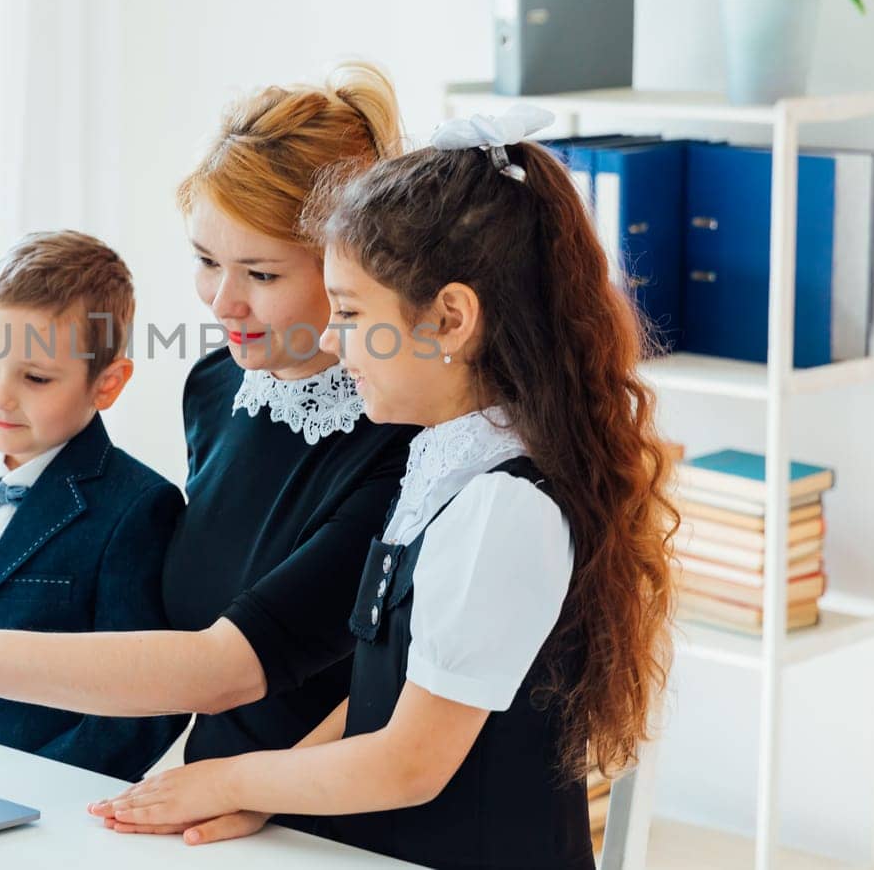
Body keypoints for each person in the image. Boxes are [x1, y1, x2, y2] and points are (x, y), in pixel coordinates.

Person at [0, 63, 418, 843]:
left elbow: (252, 662)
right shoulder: (217, 386)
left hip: (326, 815)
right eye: (205, 260)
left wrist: (260, 788)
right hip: (202, 800)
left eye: (260, 273)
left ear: (345, 269)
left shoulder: (398, 434)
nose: (221, 302)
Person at [88, 107, 678, 868]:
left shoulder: (503, 508)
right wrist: (262, 787)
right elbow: (389, 690)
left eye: (353, 313)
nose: (332, 340)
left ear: (451, 319)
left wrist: (227, 776)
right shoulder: (446, 465)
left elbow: (408, 760)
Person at [0, 230, 186, 782]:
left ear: (107, 384)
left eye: (36, 377)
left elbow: (145, 708)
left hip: (48, 802)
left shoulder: (140, 506)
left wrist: (37, 791)